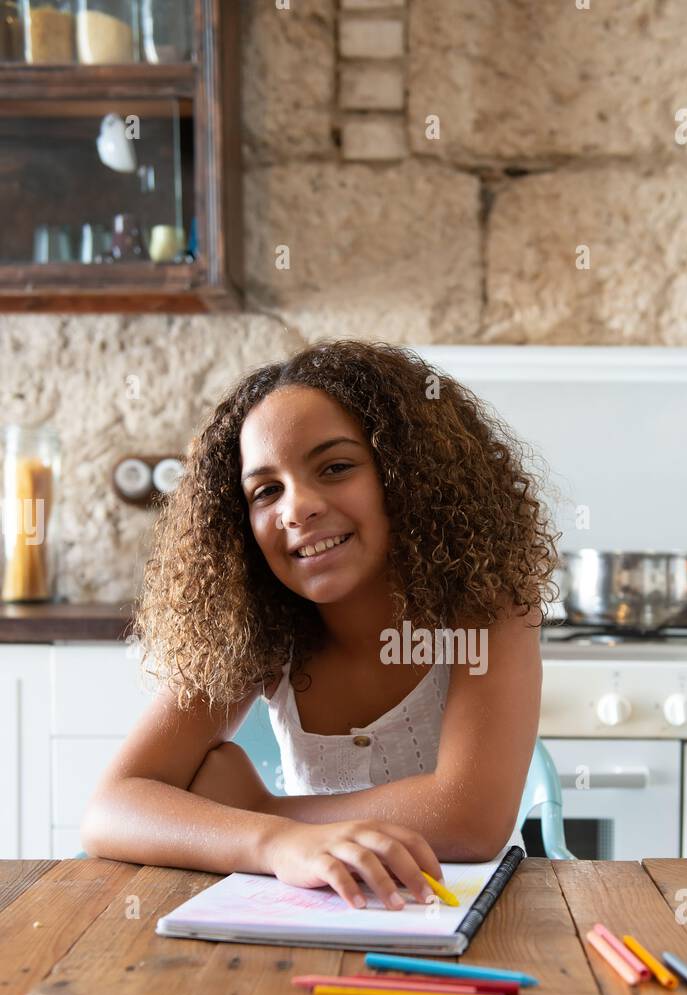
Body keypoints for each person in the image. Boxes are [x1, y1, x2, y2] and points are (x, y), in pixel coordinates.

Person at [82, 339, 559, 910]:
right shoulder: (259, 629)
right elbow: (112, 807)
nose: (296, 508)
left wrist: (259, 812)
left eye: (335, 467)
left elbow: (470, 819)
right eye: (266, 491)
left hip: (472, 918)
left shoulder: (489, 608)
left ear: (408, 477)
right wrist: (275, 842)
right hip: (316, 916)